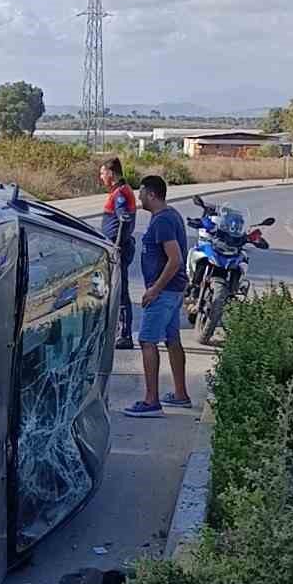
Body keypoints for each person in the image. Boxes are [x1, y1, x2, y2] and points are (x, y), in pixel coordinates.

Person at [127, 174, 192, 416]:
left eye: (141, 191)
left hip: (163, 292)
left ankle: (151, 401)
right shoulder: (170, 214)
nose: (139, 196)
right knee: (172, 339)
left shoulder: (162, 221)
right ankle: (180, 394)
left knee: (147, 340)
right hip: (173, 291)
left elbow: (174, 259)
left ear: (152, 194)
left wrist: (155, 289)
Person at [99, 156, 136, 350]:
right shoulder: (120, 191)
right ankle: (118, 332)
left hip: (118, 249)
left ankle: (124, 334)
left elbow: (123, 219)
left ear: (111, 174)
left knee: (120, 292)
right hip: (117, 247)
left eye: (103, 173)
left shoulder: (121, 193)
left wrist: (116, 247)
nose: (101, 177)